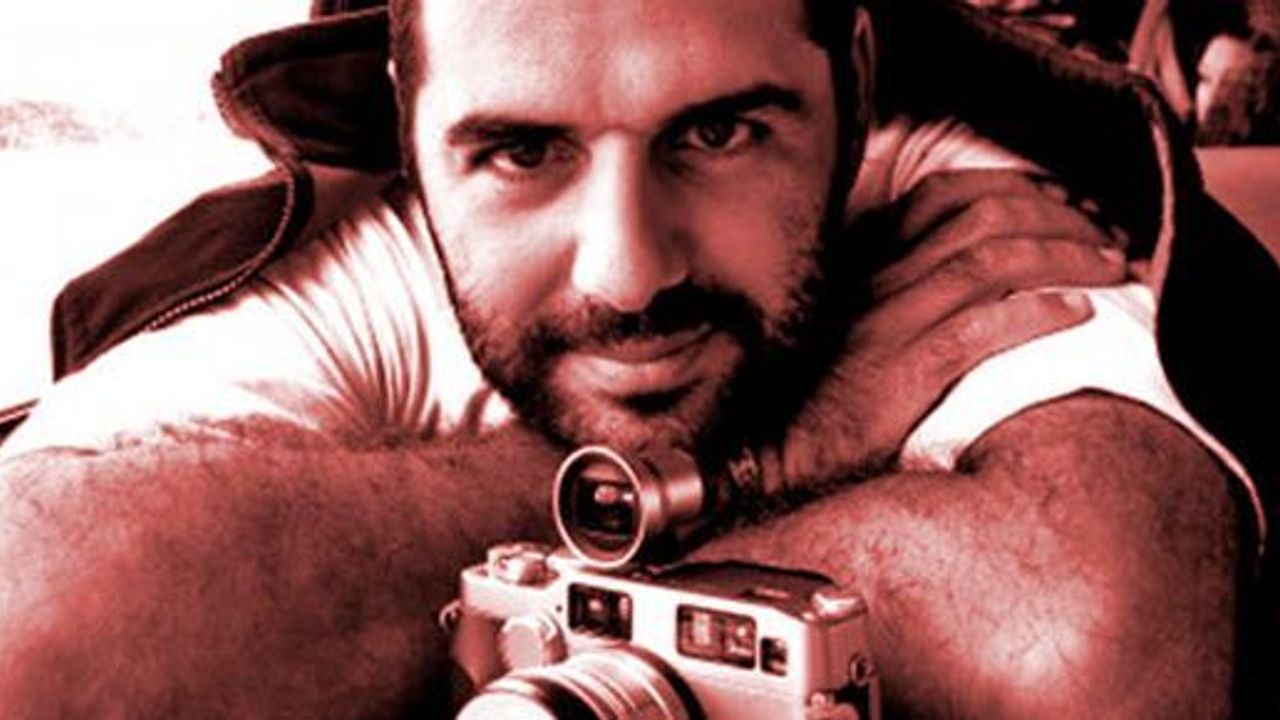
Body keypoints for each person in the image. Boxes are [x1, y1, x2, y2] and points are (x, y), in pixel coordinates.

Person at [0, 0, 1275, 717]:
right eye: (522, 153)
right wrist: (746, 466)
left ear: (852, 85)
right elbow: (31, 620)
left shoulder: (957, 209)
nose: (626, 273)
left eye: (717, 134)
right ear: (409, 126)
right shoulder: (369, 253)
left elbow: (1086, 651)